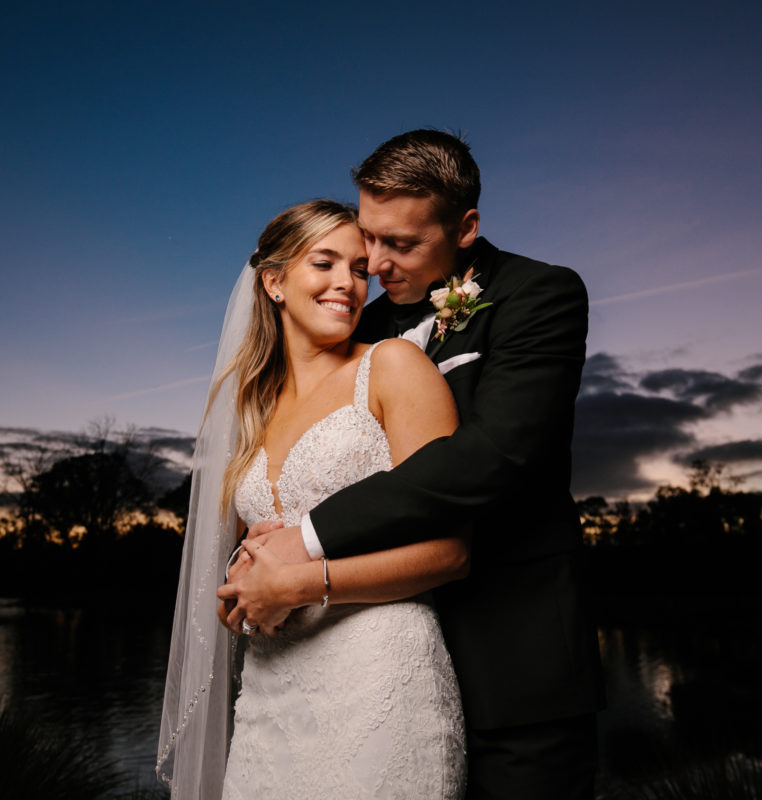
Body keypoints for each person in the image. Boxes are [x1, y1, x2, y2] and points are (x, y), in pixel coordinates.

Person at [230, 130, 605, 799]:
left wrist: (305, 541)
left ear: (465, 228)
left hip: (511, 658)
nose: (371, 264)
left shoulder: (539, 297)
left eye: (399, 244)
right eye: (367, 237)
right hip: (361, 660)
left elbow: (493, 457)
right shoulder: (357, 328)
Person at [157, 199, 468, 799]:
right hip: (271, 696)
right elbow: (249, 561)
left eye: (357, 269)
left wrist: (298, 585)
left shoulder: (393, 367)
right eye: (323, 263)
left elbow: (451, 552)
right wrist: (240, 594)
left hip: (380, 682)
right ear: (273, 282)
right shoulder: (249, 410)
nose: (347, 285)